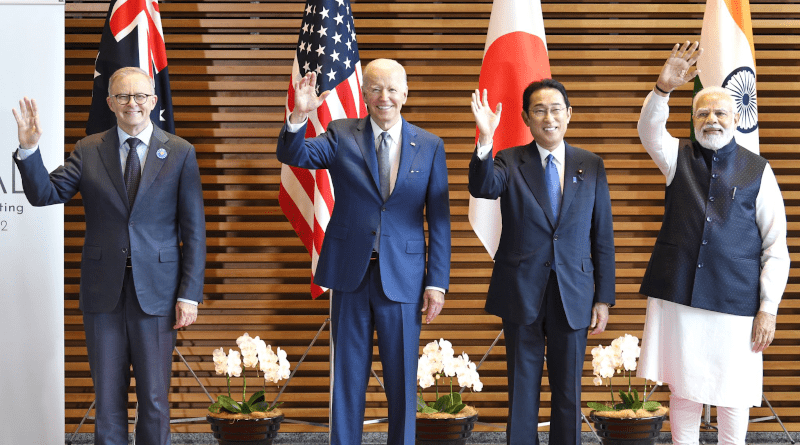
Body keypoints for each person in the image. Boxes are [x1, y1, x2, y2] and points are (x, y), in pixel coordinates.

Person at [12, 67, 206, 445]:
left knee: (153, 401)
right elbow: (44, 194)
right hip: (103, 295)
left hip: (159, 295)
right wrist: (29, 149)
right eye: (122, 96)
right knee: (109, 402)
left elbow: (194, 230)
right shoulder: (88, 149)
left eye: (139, 96)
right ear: (110, 102)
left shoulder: (181, 152)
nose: (131, 103)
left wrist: (189, 293)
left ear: (153, 101)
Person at [276, 58, 451, 445]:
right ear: (363, 93)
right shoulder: (340, 134)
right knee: (348, 378)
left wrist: (437, 282)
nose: (383, 96)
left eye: (392, 88)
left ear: (405, 94)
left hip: (404, 278)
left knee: (402, 380)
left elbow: (438, 220)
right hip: (350, 274)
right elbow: (295, 156)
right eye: (375, 88)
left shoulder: (431, 145)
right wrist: (298, 117)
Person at [636, 41, 790, 445]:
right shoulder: (677, 156)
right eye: (702, 112)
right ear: (692, 119)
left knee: (733, 392)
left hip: (737, 302)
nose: (711, 119)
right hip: (681, 296)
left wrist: (768, 310)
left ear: (735, 117)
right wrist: (662, 89)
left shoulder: (759, 170)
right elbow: (649, 130)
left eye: (720, 112)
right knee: (683, 390)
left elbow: (776, 246)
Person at [468, 79, 615, 445]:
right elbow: (483, 186)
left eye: (555, 109)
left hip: (574, 292)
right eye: (539, 110)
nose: (548, 117)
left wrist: (604, 297)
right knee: (522, 390)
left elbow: (603, 236)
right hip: (521, 291)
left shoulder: (591, 164)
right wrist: (485, 141)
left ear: (568, 115)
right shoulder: (508, 160)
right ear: (526, 118)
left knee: (568, 391)